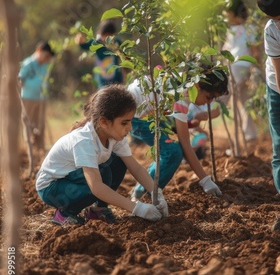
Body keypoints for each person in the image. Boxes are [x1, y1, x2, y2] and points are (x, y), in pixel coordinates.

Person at [35, 84, 168, 226]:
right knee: (100, 180)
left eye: (130, 121)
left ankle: (98, 209)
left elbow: (135, 167)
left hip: (73, 178)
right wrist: (137, 208)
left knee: (118, 163)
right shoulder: (84, 141)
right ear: (104, 122)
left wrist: (156, 193)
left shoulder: (114, 136)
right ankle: (64, 214)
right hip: (52, 188)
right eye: (124, 122)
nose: (129, 128)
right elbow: (96, 187)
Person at [127, 66, 229, 200]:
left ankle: (144, 188)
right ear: (198, 85)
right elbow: (185, 143)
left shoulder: (182, 80)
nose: (209, 102)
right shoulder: (182, 95)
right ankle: (144, 194)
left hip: (147, 112)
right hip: (135, 116)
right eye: (209, 97)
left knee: (171, 150)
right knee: (173, 153)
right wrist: (205, 180)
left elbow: (176, 121)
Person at [257, 0, 280, 231]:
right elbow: (279, 71)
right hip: (278, 88)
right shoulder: (272, 30)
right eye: (273, 19)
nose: (277, 23)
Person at [222, 0, 260, 142]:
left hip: (236, 68)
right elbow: (255, 53)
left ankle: (206, 120)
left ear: (232, 13)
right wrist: (255, 69)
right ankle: (249, 134)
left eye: (227, 13)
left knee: (224, 98)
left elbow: (255, 52)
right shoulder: (247, 28)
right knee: (244, 101)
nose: (226, 17)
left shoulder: (239, 30)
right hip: (244, 68)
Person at [18, 41, 55, 150]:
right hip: (28, 98)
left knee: (40, 124)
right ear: (39, 51)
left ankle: (39, 148)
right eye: (46, 55)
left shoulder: (45, 64)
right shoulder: (28, 63)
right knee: (28, 124)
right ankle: (28, 148)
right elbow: (20, 80)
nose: (47, 58)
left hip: (41, 98)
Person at [75, 20, 124, 88]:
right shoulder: (96, 43)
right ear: (101, 34)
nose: (106, 38)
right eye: (104, 35)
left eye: (109, 36)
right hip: (102, 80)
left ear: (113, 35)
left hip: (116, 79)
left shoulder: (117, 43)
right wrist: (80, 41)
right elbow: (85, 46)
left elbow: (125, 55)